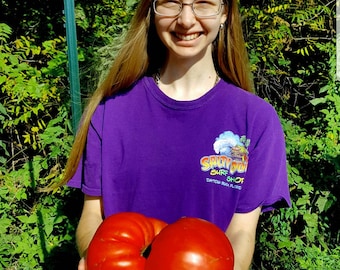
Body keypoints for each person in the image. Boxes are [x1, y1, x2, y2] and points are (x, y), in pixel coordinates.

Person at [59, 0, 291, 269]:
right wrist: (97, 257)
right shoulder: (110, 112)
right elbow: (92, 216)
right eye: (172, 3)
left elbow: (241, 233)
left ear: (225, 13)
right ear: (153, 10)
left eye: (203, 4)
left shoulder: (257, 120)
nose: (186, 20)